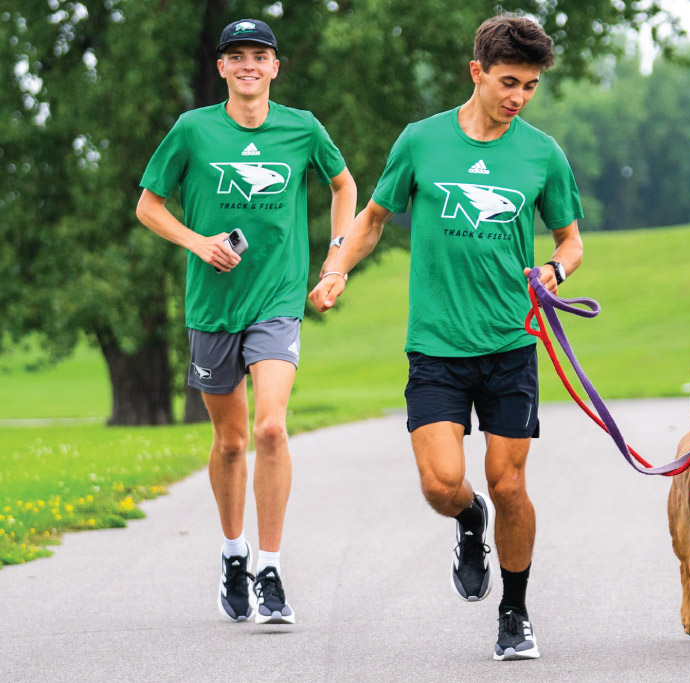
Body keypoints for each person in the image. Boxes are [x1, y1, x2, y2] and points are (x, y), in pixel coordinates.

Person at [309, 13, 583, 660]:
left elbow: (571, 239)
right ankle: (468, 519)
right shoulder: (421, 141)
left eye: (531, 86)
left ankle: (514, 611)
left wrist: (555, 267)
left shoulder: (542, 153)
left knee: (510, 481)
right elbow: (374, 218)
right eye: (509, 81)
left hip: (511, 344)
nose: (518, 96)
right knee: (441, 482)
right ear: (477, 72)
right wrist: (335, 269)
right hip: (436, 346)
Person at [136, 18, 356, 625]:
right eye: (237, 56)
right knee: (231, 441)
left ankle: (270, 569)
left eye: (260, 55)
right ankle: (233, 553)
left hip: (277, 299)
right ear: (223, 68)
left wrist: (336, 255)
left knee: (269, 431)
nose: (249, 65)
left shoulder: (302, 128)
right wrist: (196, 242)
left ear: (276, 67)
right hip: (212, 305)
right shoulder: (193, 130)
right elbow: (148, 205)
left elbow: (344, 184)